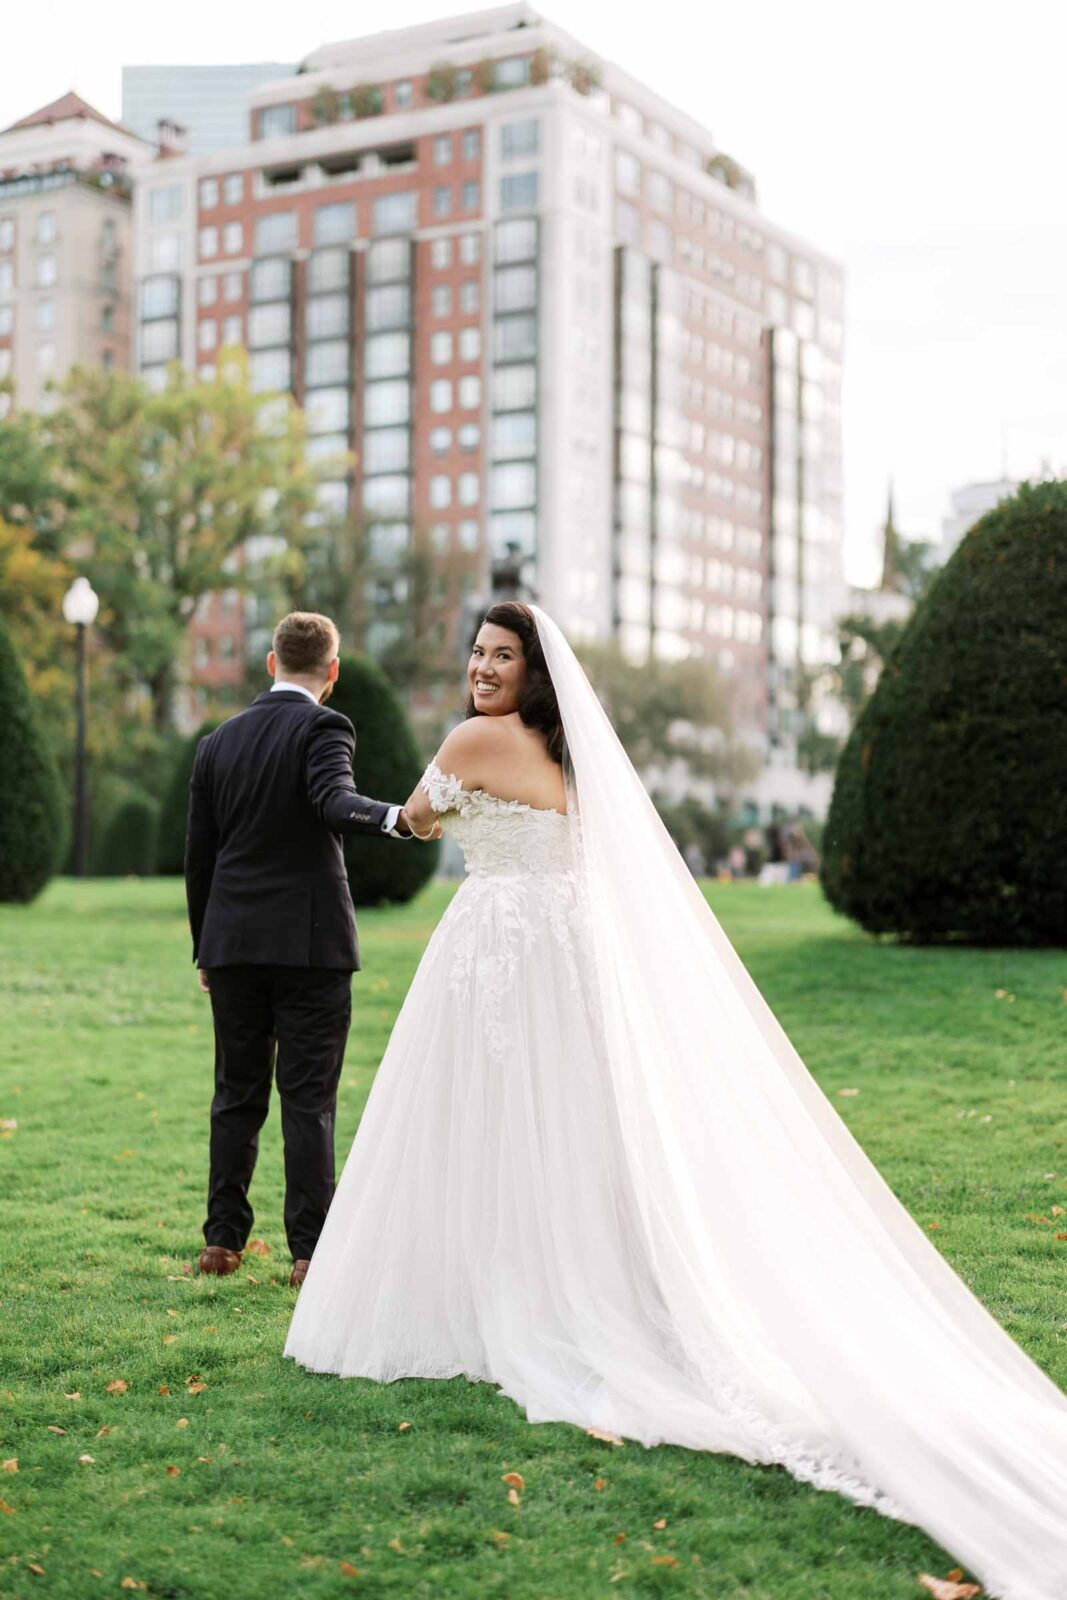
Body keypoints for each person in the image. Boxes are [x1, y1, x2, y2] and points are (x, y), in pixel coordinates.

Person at [285, 602, 1067, 1600]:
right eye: (477, 652)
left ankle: (499, 1295)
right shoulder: (571, 760)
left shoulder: (475, 740)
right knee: (562, 1128)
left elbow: (420, 819)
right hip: (563, 963)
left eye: (500, 655)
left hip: (494, 953)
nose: (481, 667)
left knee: (480, 1124)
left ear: (533, 672)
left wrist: (363, 805)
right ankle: (562, 1279)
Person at [184, 611, 429, 1289]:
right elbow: (332, 800)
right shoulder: (326, 725)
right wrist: (395, 819)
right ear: (333, 671)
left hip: (231, 943)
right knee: (307, 1098)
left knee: (234, 1093)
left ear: (270, 664)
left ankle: (220, 1242)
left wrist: (206, 945)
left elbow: (198, 860)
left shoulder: (215, 744)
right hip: (310, 947)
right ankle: (310, 1253)